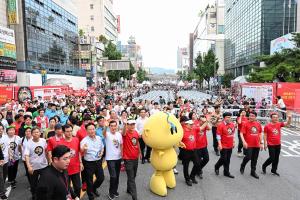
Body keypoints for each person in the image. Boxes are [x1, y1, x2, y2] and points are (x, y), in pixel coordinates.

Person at [262, 112, 292, 176]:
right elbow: (265, 135)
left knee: (276, 158)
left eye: (276, 117)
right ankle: (264, 165)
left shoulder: (279, 124)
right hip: (271, 144)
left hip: (278, 144)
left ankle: (273, 170)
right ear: (271, 118)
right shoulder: (267, 126)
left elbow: (287, 123)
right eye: (274, 117)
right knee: (272, 158)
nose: (275, 118)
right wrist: (265, 144)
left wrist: (289, 118)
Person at [81, 123, 105, 200]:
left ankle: (94, 188)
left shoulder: (98, 138)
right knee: (89, 181)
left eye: (93, 129)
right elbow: (82, 151)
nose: (92, 131)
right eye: (90, 129)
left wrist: (102, 152)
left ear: (95, 129)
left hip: (98, 162)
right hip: (89, 163)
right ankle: (90, 196)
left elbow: (102, 147)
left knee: (101, 178)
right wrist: (84, 149)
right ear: (87, 131)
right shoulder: (84, 141)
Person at [24, 127, 48, 199]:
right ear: (32, 134)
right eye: (34, 132)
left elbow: (47, 152)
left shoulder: (43, 141)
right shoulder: (28, 143)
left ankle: (44, 196)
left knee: (45, 183)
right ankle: (34, 196)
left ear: (40, 133)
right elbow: (26, 156)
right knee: (33, 184)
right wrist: (29, 167)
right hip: (33, 167)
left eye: (37, 132)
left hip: (44, 166)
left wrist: (50, 161)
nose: (36, 133)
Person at [239, 111, 263, 179]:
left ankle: (253, 172)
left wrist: (261, 143)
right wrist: (244, 142)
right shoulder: (246, 123)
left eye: (252, 116)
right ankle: (243, 165)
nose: (251, 117)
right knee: (248, 157)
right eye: (250, 115)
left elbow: (260, 133)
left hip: (256, 144)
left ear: (255, 117)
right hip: (248, 144)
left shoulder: (258, 124)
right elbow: (241, 133)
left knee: (255, 159)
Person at [62, 124, 82, 199]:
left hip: (75, 168)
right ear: (63, 132)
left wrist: (81, 163)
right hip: (65, 169)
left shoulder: (76, 140)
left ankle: (77, 198)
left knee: (78, 187)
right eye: (67, 131)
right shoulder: (60, 142)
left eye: (71, 131)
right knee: (66, 187)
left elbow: (79, 152)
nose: (69, 133)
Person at [104, 120, 123, 200]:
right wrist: (105, 126)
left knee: (117, 176)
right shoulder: (107, 134)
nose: (113, 127)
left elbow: (121, 144)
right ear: (109, 127)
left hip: (118, 158)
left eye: (115, 126)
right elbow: (103, 133)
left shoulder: (119, 134)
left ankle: (115, 191)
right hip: (110, 159)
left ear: (117, 126)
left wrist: (121, 154)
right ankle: (111, 192)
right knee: (113, 176)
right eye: (111, 126)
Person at [122, 119, 139, 200]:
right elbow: (123, 133)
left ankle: (129, 189)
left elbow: (137, 142)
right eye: (130, 124)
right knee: (131, 178)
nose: (132, 126)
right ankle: (134, 197)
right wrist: (125, 124)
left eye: (133, 124)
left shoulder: (136, 132)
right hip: (128, 159)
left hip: (135, 158)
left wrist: (140, 153)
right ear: (127, 125)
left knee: (133, 175)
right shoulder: (125, 133)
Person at [180, 116, 200, 186]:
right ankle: (187, 179)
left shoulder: (193, 129)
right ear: (186, 125)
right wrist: (180, 143)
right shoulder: (181, 131)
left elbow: (201, 128)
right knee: (186, 166)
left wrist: (207, 121)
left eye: (192, 124)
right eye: (190, 124)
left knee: (197, 164)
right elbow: (177, 140)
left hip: (194, 150)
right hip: (185, 151)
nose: (192, 125)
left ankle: (192, 176)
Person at [214, 112, 235, 178]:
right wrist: (219, 144)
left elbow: (233, 133)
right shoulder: (220, 125)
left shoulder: (232, 124)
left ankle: (226, 172)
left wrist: (234, 142)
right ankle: (217, 166)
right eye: (227, 117)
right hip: (223, 144)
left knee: (228, 159)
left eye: (230, 117)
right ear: (224, 118)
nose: (229, 118)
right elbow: (218, 135)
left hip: (230, 144)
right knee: (223, 158)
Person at [195, 115, 211, 179]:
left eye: (204, 120)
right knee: (198, 160)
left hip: (204, 145)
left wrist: (206, 122)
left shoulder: (205, 124)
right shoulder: (195, 124)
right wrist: (206, 121)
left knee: (206, 159)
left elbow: (209, 128)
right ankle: (199, 171)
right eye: (202, 120)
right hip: (197, 146)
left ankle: (198, 169)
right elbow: (200, 128)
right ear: (199, 120)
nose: (203, 121)